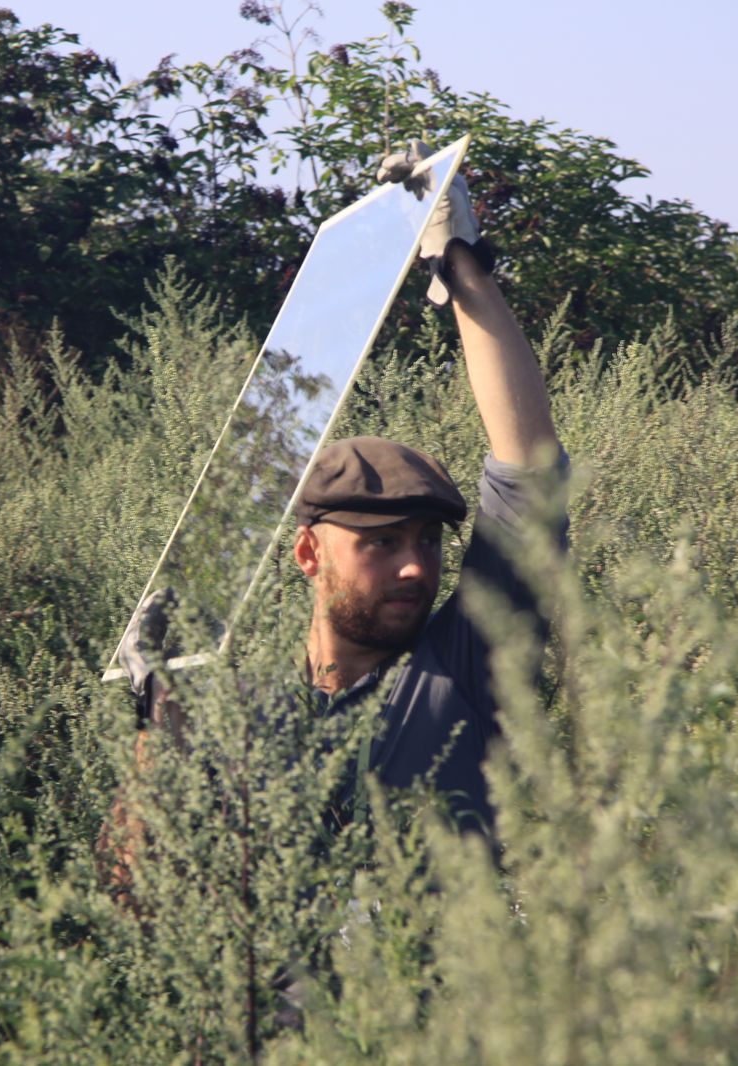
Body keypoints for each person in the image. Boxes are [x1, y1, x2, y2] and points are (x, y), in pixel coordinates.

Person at [117, 140, 568, 844]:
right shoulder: (247, 717)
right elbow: (132, 888)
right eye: (381, 544)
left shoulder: (463, 672)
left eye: (425, 540)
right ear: (307, 552)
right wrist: (161, 720)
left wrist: (461, 268)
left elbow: (529, 470)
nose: (416, 565)